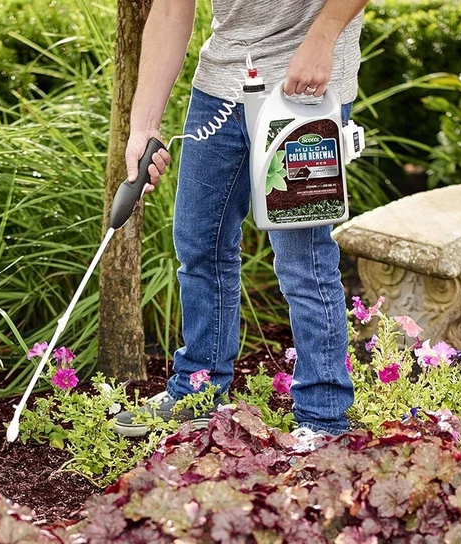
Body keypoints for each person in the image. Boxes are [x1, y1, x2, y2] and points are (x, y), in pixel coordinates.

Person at [114, 0, 368, 447]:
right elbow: (173, 10)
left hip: (307, 87)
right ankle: (198, 391)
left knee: (302, 260)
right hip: (221, 87)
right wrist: (143, 126)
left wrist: (322, 37)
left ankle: (324, 420)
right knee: (199, 245)